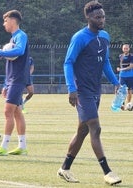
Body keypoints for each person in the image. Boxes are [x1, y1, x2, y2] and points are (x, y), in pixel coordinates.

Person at [58, 1, 122, 185]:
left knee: (82, 131)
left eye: (103, 16)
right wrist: (72, 89)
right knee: (95, 127)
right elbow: (68, 62)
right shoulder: (79, 37)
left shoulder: (105, 37)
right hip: (82, 91)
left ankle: (64, 168)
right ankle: (107, 172)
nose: (101, 20)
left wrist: (115, 82)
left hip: (96, 90)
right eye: (97, 17)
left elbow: (105, 62)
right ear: (88, 17)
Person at [0, 10, 30, 156]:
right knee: (17, 112)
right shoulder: (13, 38)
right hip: (12, 80)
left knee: (8, 111)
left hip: (18, 80)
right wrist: (6, 84)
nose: (4, 24)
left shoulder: (21, 36)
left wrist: (1, 53)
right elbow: (11, 65)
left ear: (12, 20)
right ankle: (22, 146)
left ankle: (4, 146)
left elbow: (19, 51)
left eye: (5, 21)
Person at [116, 43, 133, 110]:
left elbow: (131, 66)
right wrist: (118, 68)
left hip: (130, 76)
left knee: (129, 91)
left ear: (129, 49)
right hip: (122, 76)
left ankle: (128, 105)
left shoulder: (131, 56)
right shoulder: (120, 56)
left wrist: (122, 69)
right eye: (124, 48)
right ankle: (122, 104)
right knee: (122, 90)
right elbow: (119, 65)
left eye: (127, 48)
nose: (125, 49)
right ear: (122, 49)